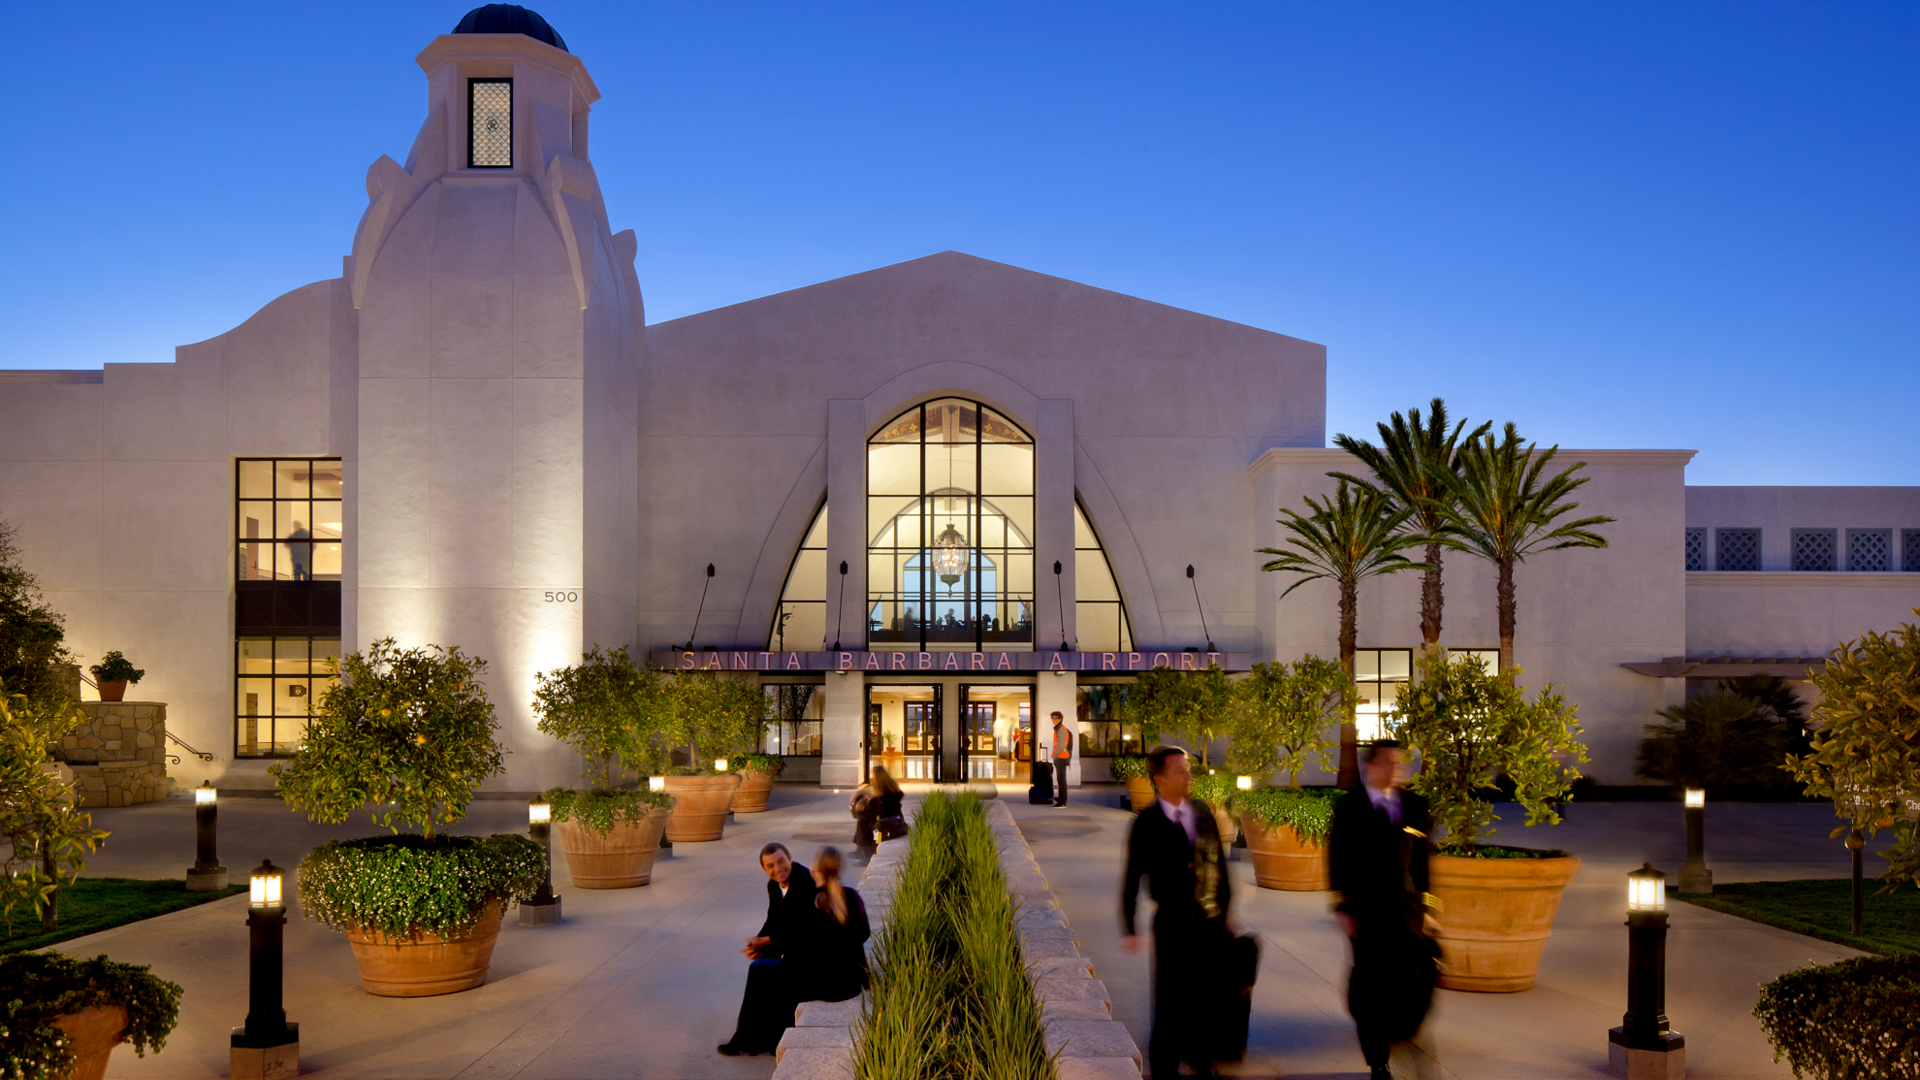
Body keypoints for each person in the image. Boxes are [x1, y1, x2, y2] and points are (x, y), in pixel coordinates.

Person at [1329, 739, 1441, 1080]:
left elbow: (1423, 862)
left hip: (1407, 912)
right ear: (1370, 767)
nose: (1397, 769)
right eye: (1389, 762)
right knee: (1372, 986)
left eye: (1400, 763)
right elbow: (1337, 860)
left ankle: (1401, 1030)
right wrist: (1342, 907)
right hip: (1366, 914)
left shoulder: (1415, 805)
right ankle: (1378, 1060)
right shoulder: (1350, 807)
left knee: (1411, 981)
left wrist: (1429, 907)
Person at [1121, 745, 1234, 1080]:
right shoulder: (1147, 822)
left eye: (1188, 770)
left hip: (1209, 921)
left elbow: (1221, 867)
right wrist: (1128, 925)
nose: (1188, 776)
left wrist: (1226, 910)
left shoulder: (1202, 811)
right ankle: (1165, 1069)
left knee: (1205, 1000)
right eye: (1180, 771)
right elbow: (1131, 875)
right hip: (1171, 924)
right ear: (1159, 779)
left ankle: (1202, 1063)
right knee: (1169, 1003)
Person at [718, 843, 820, 1057]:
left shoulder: (806, 883)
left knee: (759, 969)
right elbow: (773, 919)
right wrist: (756, 942)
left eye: (781, 860)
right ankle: (762, 1037)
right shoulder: (774, 886)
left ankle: (747, 1038)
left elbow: (803, 930)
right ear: (765, 869)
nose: (778, 868)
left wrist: (767, 942)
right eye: (770, 865)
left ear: (790, 857)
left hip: (815, 960)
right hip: (794, 951)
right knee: (762, 963)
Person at [789, 846, 870, 1004]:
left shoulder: (809, 901)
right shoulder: (853, 896)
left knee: (765, 973)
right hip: (851, 984)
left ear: (816, 867)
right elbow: (865, 934)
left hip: (824, 987)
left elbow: (798, 947)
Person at [850, 765, 906, 861]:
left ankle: (865, 854)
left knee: (863, 821)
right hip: (897, 821)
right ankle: (861, 850)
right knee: (864, 819)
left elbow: (876, 811)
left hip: (886, 824)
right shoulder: (892, 788)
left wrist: (865, 804)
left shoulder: (881, 795)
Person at [1049, 710, 1073, 806]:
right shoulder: (1058, 729)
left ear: (1060, 719)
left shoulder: (1061, 730)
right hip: (1060, 758)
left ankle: (1062, 802)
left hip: (1061, 758)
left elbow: (1061, 746)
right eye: (1052, 718)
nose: (1053, 720)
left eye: (1055, 718)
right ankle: (1060, 798)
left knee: (1062, 780)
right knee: (1060, 779)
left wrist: (1055, 756)